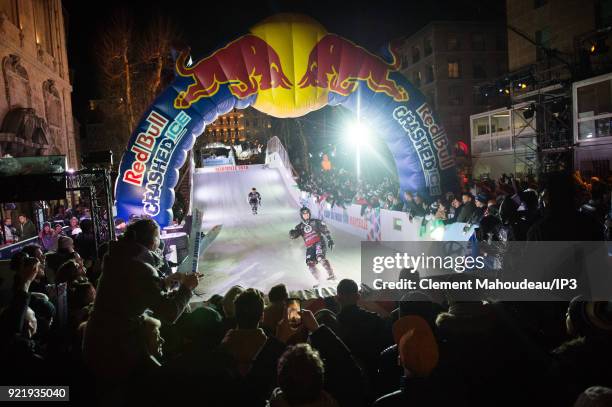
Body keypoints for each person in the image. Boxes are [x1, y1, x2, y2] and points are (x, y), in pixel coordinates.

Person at [83, 219, 200, 379]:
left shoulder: (122, 258)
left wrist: (167, 282)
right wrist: (187, 288)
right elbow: (169, 313)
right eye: (158, 237)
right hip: (113, 347)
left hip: (100, 338)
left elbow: (135, 290)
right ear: (152, 241)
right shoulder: (139, 267)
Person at [289, 207, 336, 284]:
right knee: (310, 263)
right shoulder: (299, 227)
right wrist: (292, 234)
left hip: (319, 242)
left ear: (309, 214)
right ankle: (319, 280)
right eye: (304, 214)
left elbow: (325, 230)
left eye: (307, 214)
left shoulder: (316, 222)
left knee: (320, 257)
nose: (306, 215)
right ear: (301, 216)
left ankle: (331, 275)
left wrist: (329, 239)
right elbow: (294, 234)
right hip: (310, 247)